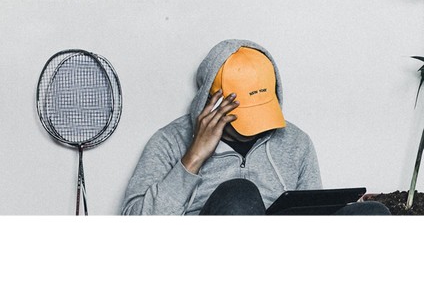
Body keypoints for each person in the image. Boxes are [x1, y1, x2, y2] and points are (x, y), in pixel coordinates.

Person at [121, 39, 390, 215]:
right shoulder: (170, 142)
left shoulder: (296, 142)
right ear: (211, 102)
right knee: (239, 193)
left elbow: (311, 216)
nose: (258, 127)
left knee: (373, 213)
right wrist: (192, 159)